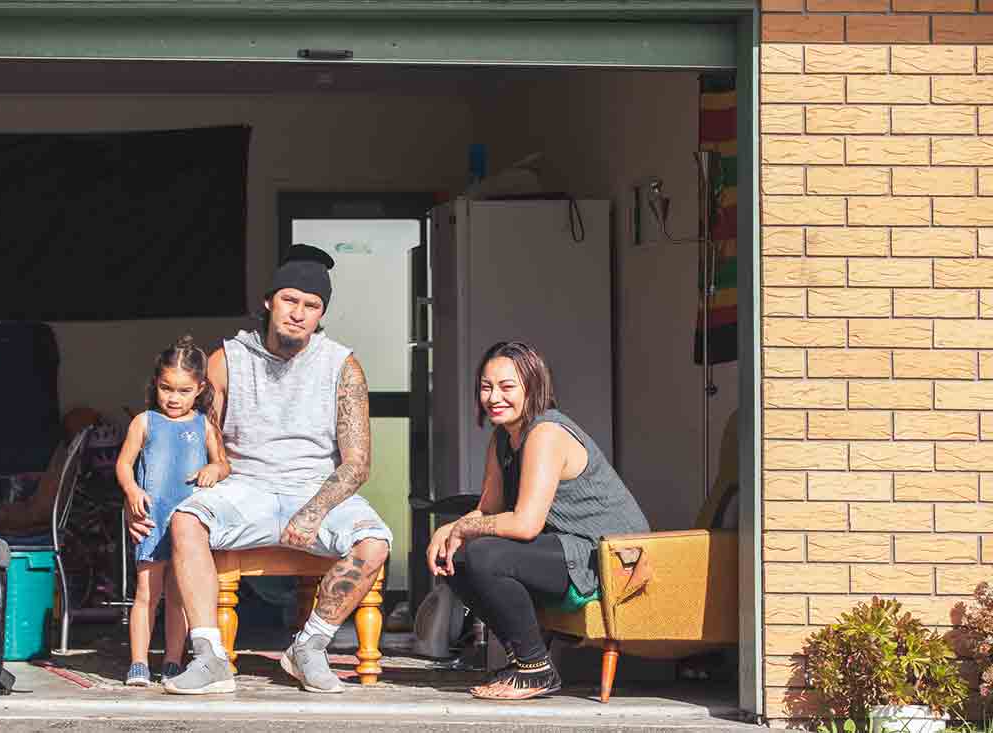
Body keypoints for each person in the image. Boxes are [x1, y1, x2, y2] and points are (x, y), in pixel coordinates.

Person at [128, 245, 392, 696]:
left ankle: (308, 648)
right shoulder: (227, 359)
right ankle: (210, 658)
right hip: (244, 487)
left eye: (312, 306)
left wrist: (313, 510)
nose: (298, 314)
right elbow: (194, 444)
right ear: (270, 301)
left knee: (376, 541)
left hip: (315, 489)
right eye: (290, 300)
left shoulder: (342, 365)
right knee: (187, 521)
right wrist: (146, 502)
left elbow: (357, 463)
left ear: (321, 313)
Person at [426, 341, 649, 701]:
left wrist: (464, 529)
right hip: (567, 548)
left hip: (609, 556)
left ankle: (535, 670)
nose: (494, 397)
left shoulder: (546, 433)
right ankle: (525, 661)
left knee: (485, 555)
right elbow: (489, 509)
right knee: (457, 557)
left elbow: (525, 524)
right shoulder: (503, 439)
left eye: (507, 387)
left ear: (532, 387)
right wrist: (447, 532)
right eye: (486, 387)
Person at [116, 336, 231, 687]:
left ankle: (172, 661)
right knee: (146, 594)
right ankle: (138, 662)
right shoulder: (145, 421)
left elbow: (223, 464)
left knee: (180, 597)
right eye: (166, 388)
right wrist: (132, 489)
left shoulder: (204, 426)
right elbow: (124, 463)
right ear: (156, 384)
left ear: (199, 388)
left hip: (189, 527)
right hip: (152, 520)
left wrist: (215, 470)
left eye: (183, 391)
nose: (173, 398)